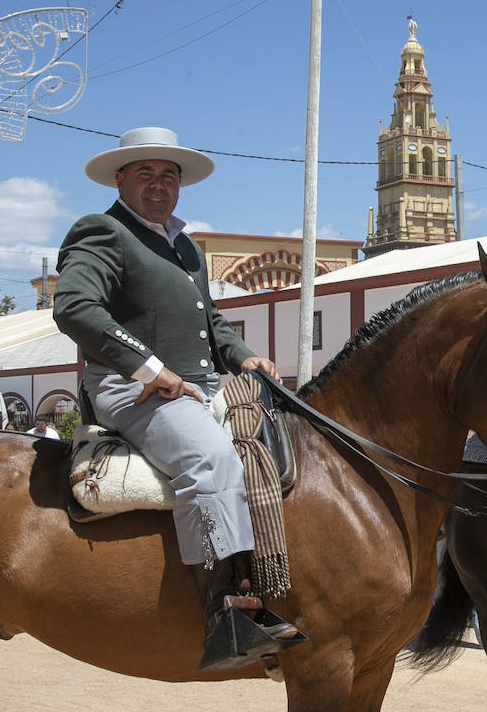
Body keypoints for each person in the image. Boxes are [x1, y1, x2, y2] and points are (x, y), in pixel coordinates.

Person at [53, 126, 302, 669]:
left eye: (169, 174)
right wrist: (149, 367)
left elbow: (209, 321)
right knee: (209, 460)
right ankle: (226, 614)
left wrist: (241, 357)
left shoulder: (184, 244)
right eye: (146, 172)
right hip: (131, 388)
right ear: (120, 179)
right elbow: (74, 307)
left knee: (284, 448)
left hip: (204, 384)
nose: (159, 183)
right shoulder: (102, 231)